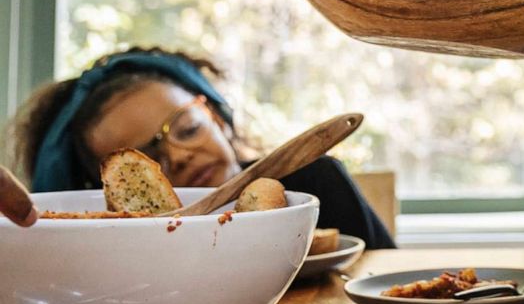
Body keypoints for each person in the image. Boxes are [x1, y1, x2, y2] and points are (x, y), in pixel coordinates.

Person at [7, 48, 395, 247]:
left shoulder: (313, 182)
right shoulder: (117, 251)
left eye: (188, 129)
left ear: (218, 119)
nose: (178, 156)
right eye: (147, 164)